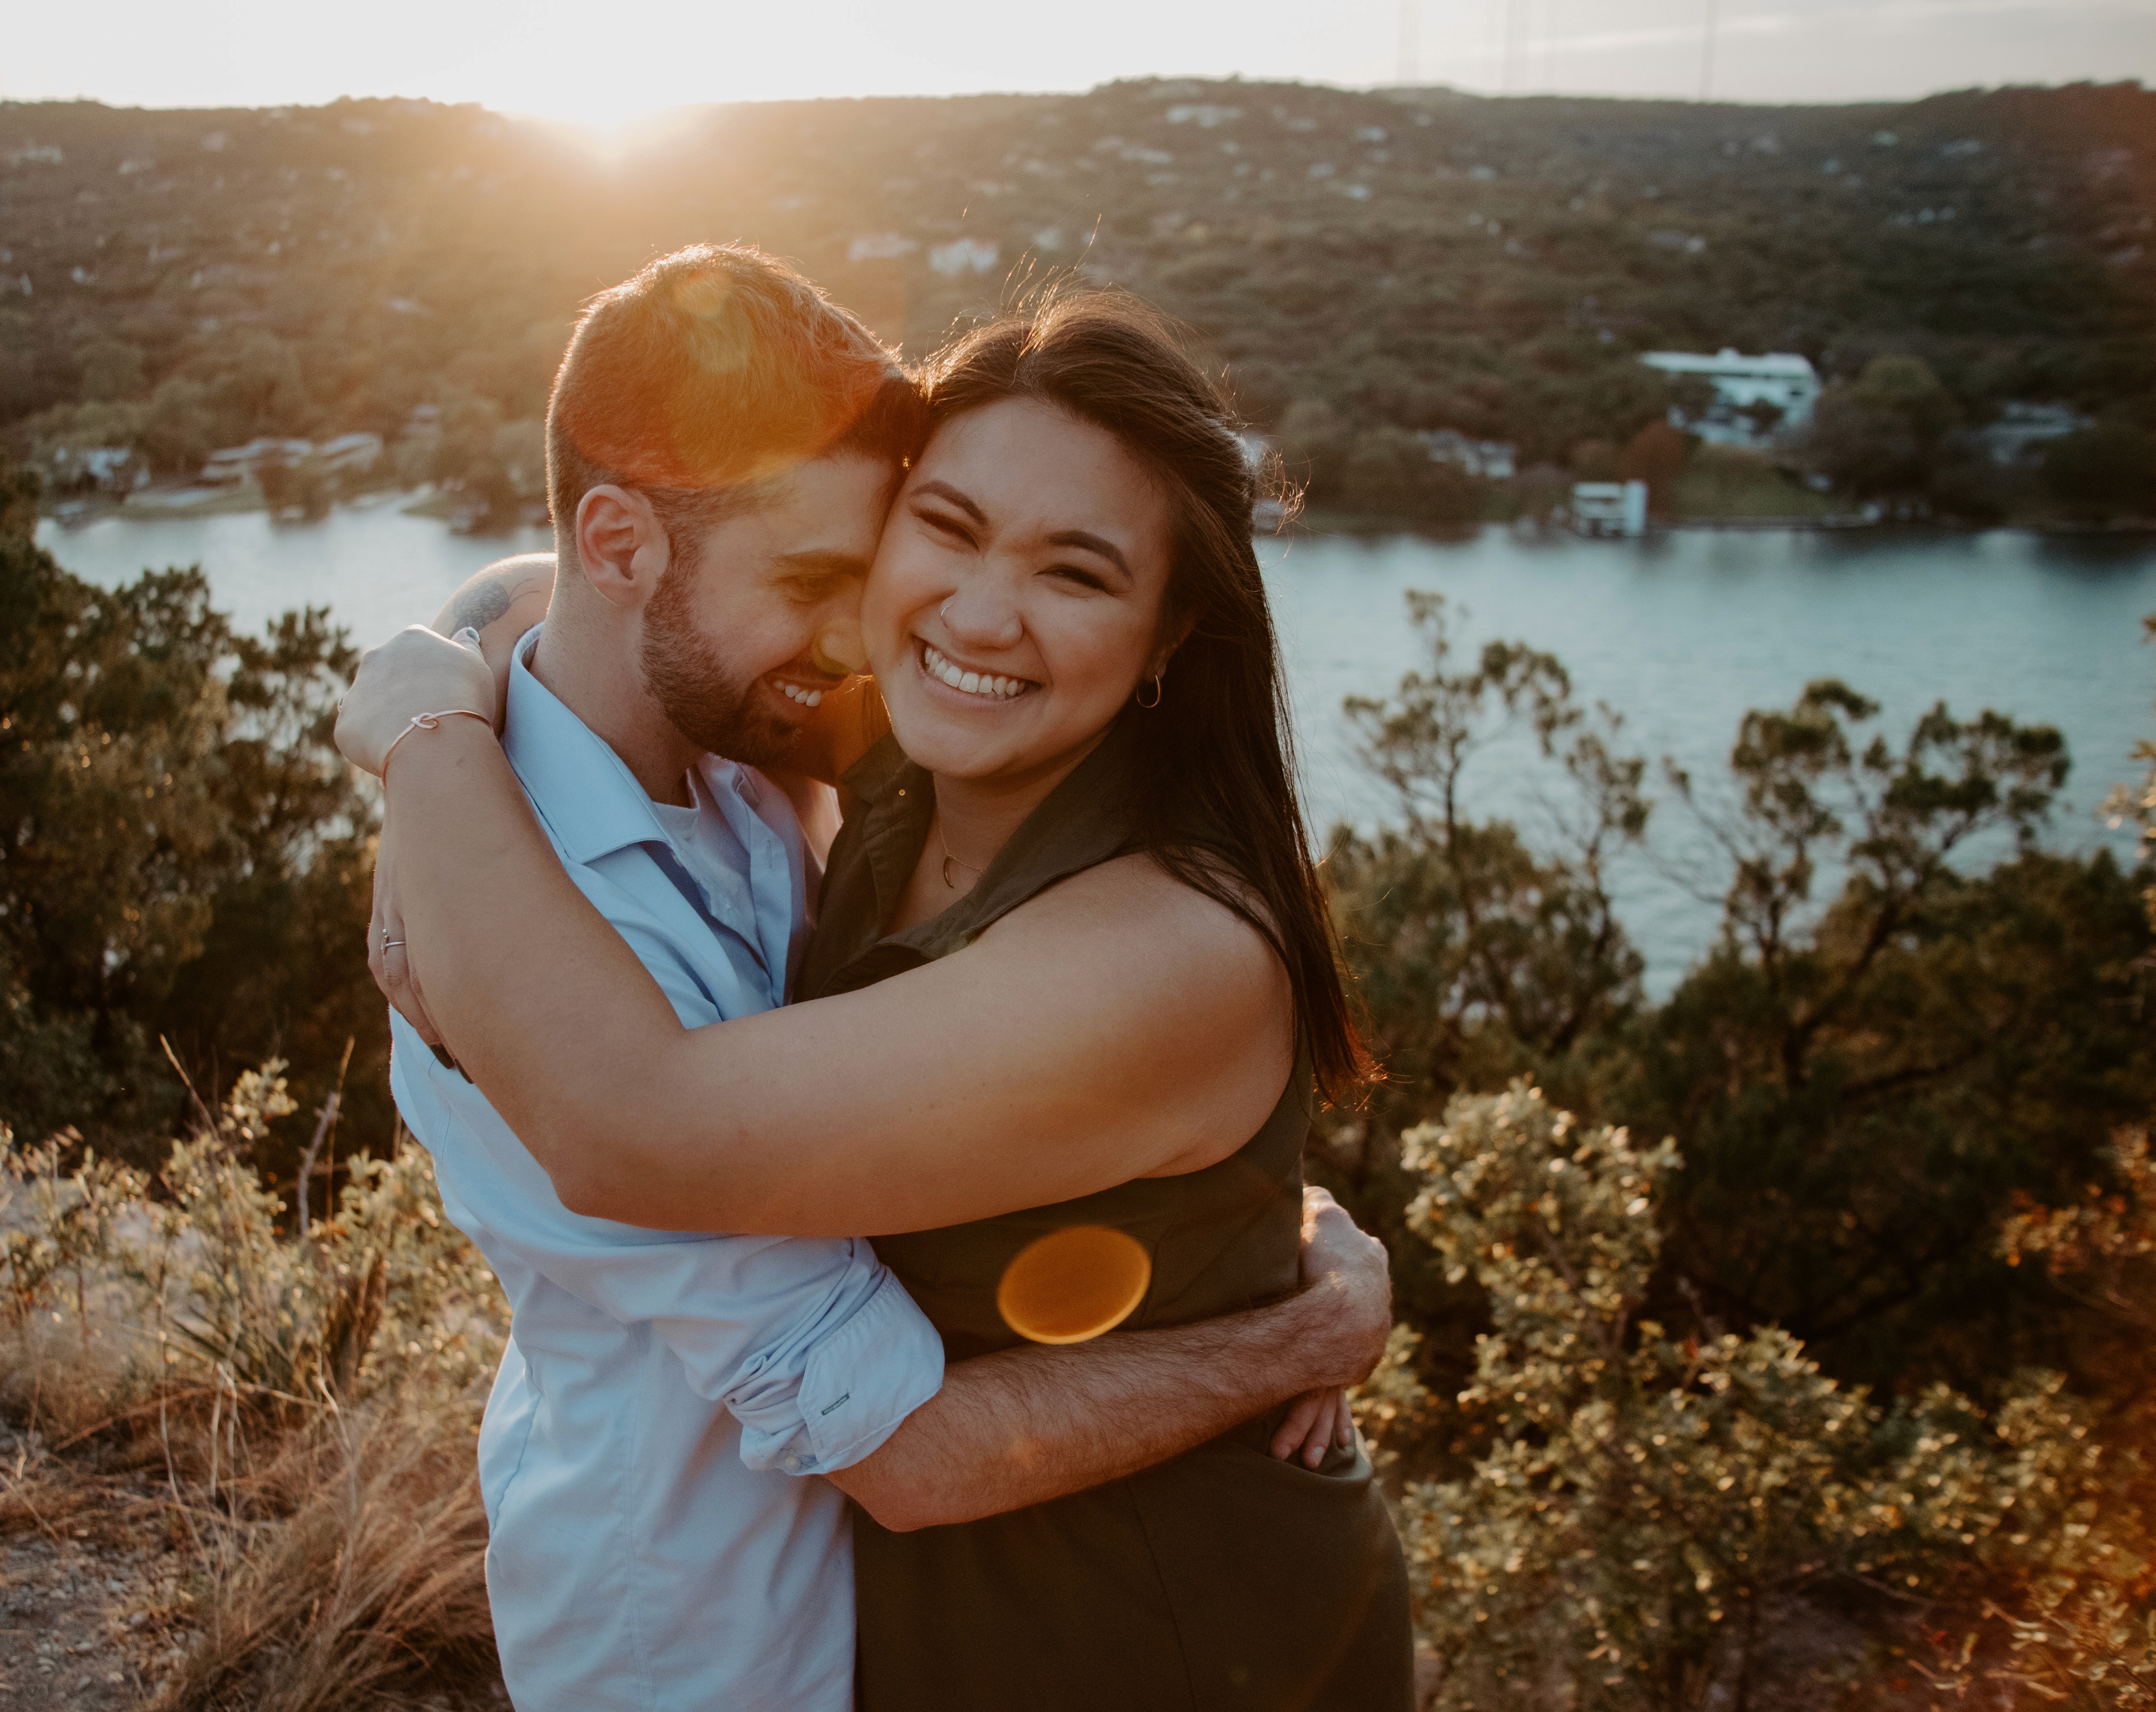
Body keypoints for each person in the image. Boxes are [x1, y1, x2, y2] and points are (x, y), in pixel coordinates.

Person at [358, 246, 1399, 1712]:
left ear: (1171, 634)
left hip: (1170, 1626)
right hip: (830, 1614)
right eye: (945, 532)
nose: (971, 616)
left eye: (1077, 570)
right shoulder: (894, 752)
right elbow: (577, 580)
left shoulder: (1164, 941)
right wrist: (440, 707)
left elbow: (637, 1122)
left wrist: (426, 748)